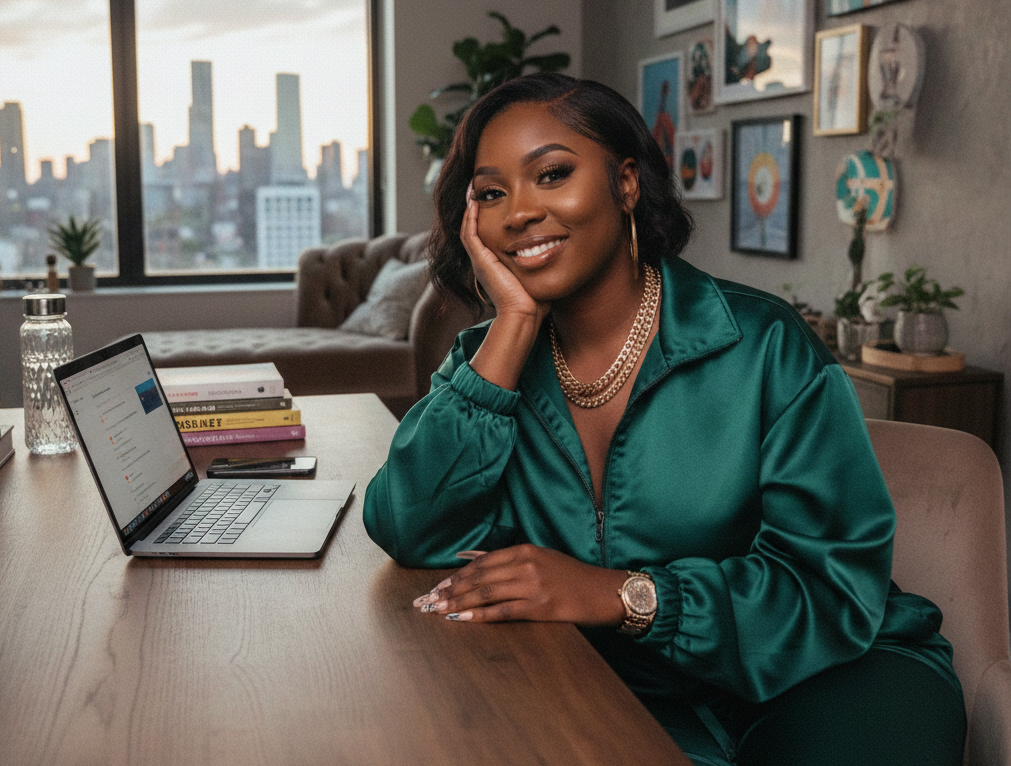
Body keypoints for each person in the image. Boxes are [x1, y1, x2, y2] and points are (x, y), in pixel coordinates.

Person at [363, 73, 965, 766]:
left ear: (625, 183)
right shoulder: (485, 364)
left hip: (834, 673)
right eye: (493, 192)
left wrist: (620, 594)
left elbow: (829, 587)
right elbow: (407, 527)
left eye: (552, 174)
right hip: (629, 690)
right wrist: (513, 325)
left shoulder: (764, 344)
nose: (520, 211)